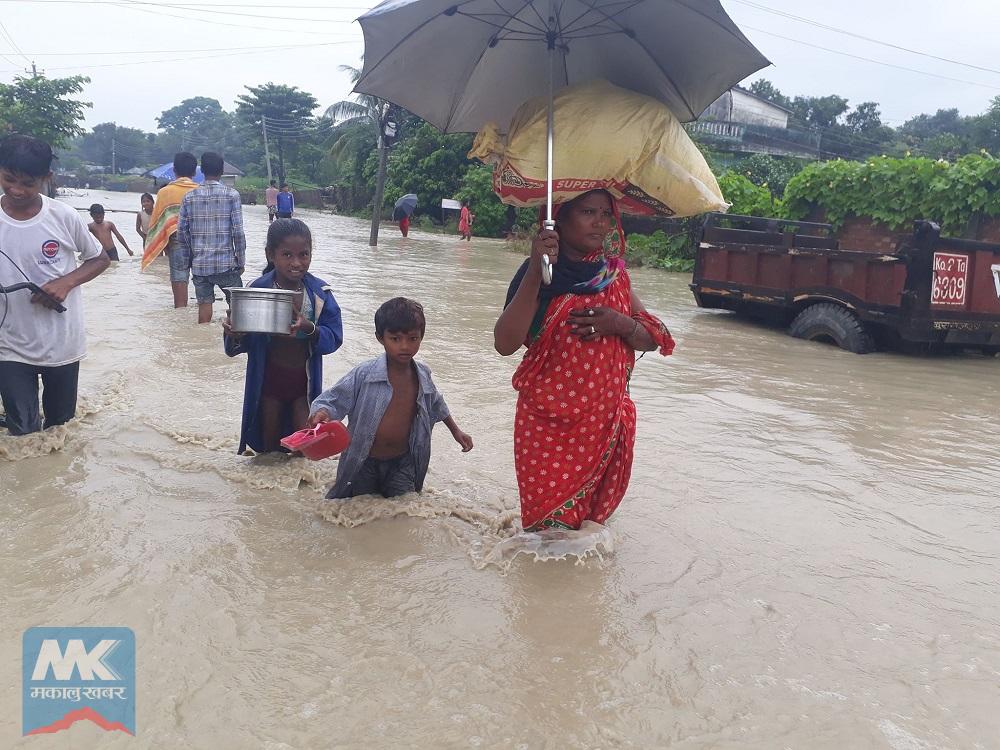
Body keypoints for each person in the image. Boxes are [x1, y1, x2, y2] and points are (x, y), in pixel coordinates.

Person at [493, 189, 675, 532]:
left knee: (586, 537)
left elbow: (655, 336)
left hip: (601, 430)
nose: (600, 222)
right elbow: (505, 343)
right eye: (588, 212)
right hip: (547, 431)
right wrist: (535, 269)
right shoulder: (540, 275)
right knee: (548, 539)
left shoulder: (613, 276)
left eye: (606, 214)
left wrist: (618, 323)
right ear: (558, 218)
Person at [0, 134, 110, 436]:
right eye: (9, 179)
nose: (17, 190)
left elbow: (99, 259)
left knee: (59, 431)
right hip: (8, 347)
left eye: (28, 183)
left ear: (46, 178)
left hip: (61, 344)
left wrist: (66, 282)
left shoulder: (63, 217)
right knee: (23, 435)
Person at [309, 297, 473, 499]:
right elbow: (335, 398)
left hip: (403, 462)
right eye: (395, 339)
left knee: (403, 510)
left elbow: (437, 404)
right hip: (364, 461)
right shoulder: (365, 374)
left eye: (412, 339)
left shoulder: (422, 375)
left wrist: (456, 431)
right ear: (380, 337)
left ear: (421, 337)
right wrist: (323, 412)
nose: (404, 346)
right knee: (358, 508)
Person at [223, 219, 343, 454]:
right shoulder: (255, 291)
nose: (296, 263)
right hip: (268, 384)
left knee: (305, 449)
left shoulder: (319, 294)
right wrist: (235, 333)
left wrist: (311, 329)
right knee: (269, 451)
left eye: (304, 254)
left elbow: (335, 337)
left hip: (303, 384)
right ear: (271, 255)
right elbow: (236, 345)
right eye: (287, 255)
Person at [176, 151, 246, 324]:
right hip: (226, 264)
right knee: (239, 308)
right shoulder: (232, 195)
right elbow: (238, 232)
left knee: (204, 309)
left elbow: (181, 233)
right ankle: (236, 343)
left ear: (202, 170)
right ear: (221, 171)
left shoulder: (189, 197)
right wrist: (241, 260)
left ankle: (201, 344)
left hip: (200, 266)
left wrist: (188, 261)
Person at [141, 152, 199, 309]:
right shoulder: (200, 191)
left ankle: (180, 321)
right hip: (201, 244)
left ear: (174, 170)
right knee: (203, 291)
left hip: (176, 242)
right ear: (194, 172)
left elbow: (159, 223)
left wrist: (165, 245)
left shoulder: (164, 192)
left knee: (179, 300)